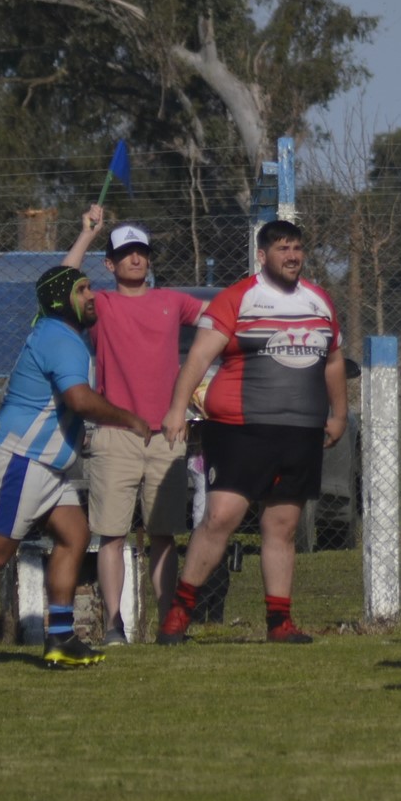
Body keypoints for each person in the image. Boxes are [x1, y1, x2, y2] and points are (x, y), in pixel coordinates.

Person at [0, 268, 152, 674]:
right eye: (83, 290)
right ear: (62, 300)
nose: (92, 295)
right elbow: (79, 400)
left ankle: (60, 638)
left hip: (43, 465)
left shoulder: (56, 333)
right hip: (19, 460)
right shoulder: (62, 339)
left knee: (74, 533)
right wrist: (128, 418)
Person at [157, 219, 348, 646]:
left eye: (297, 247)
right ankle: (178, 616)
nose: (292, 255)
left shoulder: (320, 301)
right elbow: (198, 359)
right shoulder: (236, 299)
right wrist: (175, 408)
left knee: (281, 525)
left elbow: (333, 361)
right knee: (221, 517)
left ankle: (280, 622)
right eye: (282, 248)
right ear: (262, 256)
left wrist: (339, 414)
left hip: (300, 430)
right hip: (241, 428)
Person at [62, 207, 203, 645]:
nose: (135, 260)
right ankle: (113, 625)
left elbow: (220, 320)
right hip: (114, 436)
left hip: (167, 436)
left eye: (141, 252)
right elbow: (62, 281)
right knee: (111, 535)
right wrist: (87, 235)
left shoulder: (173, 301)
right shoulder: (99, 304)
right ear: (110, 264)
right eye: (125, 254)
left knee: (163, 535)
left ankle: (168, 625)